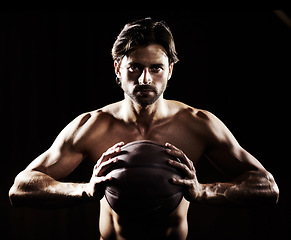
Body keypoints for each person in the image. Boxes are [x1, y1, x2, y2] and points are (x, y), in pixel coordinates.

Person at [9, 17, 279, 240]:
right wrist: (86, 190)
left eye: (156, 68)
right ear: (118, 69)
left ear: (170, 70)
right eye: (134, 68)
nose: (145, 78)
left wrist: (203, 191)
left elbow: (267, 188)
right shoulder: (92, 127)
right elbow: (20, 189)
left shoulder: (198, 124)